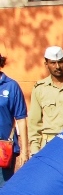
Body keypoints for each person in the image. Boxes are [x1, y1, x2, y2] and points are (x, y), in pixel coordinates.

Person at [0, 52, 29, 187]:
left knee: (3, 192)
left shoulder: (11, 86)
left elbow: (21, 119)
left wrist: (24, 151)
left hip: (4, 150)